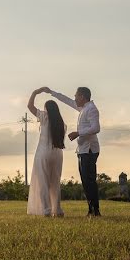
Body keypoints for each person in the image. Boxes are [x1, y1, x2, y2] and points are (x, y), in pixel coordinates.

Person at [43, 86, 101, 217]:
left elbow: (96, 128)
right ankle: (91, 210)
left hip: (90, 150)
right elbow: (67, 101)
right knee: (85, 181)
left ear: (82, 96)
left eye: (76, 96)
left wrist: (78, 133)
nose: (74, 98)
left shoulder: (91, 109)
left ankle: (95, 210)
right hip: (82, 150)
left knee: (89, 181)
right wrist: (51, 92)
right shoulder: (83, 108)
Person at [26, 88, 66, 216]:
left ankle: (46, 210)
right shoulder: (62, 123)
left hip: (43, 153)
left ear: (46, 109)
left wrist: (35, 92)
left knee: (43, 181)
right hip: (58, 154)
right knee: (55, 182)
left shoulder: (44, 117)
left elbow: (30, 106)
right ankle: (57, 210)